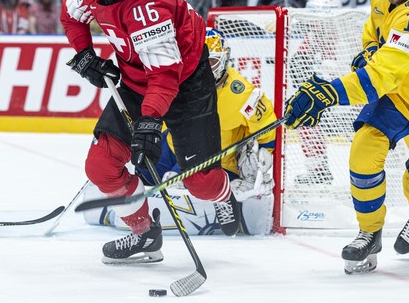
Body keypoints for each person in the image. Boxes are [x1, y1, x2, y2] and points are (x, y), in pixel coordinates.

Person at [61, 0, 239, 264]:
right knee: (101, 166)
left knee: (201, 183)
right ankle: (144, 233)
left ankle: (224, 194)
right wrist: (85, 55)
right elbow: (71, 15)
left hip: (186, 82)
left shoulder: (152, 7)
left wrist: (149, 122)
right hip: (135, 76)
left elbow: (165, 78)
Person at [284, 0, 409, 274]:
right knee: (361, 151)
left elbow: (381, 77)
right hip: (401, 95)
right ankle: (370, 233)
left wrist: (329, 93)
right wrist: (370, 50)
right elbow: (374, 35)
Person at [83, 28, 278, 236]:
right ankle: (132, 208)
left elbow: (266, 122)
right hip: (178, 146)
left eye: (211, 63)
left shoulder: (241, 94)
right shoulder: (180, 84)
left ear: (224, 61)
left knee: (186, 180)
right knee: (145, 170)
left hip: (218, 160)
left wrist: (265, 152)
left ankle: (221, 195)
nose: (205, 70)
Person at [290, 0, 343, 185]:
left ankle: (319, 170)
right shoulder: (312, 36)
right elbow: (298, 64)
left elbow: (333, 69)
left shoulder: (339, 37)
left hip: (342, 97)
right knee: (305, 122)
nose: (313, 19)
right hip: (322, 96)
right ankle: (318, 170)